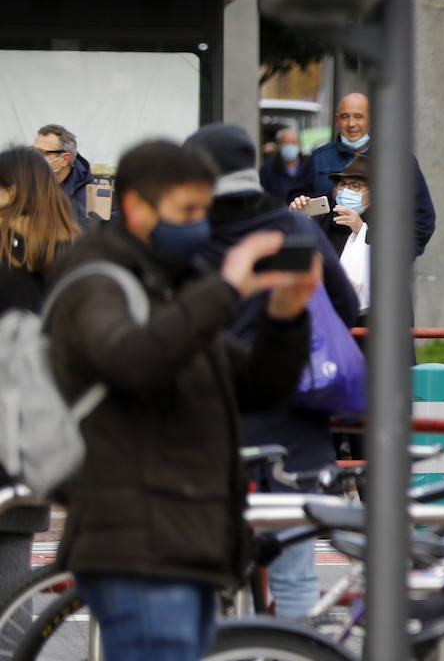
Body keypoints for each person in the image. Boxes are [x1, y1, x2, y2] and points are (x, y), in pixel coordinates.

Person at [46, 139, 316, 661]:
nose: (199, 224)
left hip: (186, 541)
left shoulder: (174, 285)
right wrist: (225, 290)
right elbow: (131, 360)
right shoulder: (96, 280)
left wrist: (285, 316)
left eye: (203, 209)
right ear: (137, 207)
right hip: (137, 545)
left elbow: (257, 387)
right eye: (185, 211)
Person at [187, 123, 359, 622]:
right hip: (293, 421)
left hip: (209, 425)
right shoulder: (294, 229)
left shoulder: (187, 236)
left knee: (208, 572)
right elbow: (344, 304)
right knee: (294, 570)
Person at [0, 146, 82, 602]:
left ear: (11, 192)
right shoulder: (67, 253)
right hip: (34, 432)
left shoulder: (7, 260)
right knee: (12, 572)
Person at [306, 92, 436, 258]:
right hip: (330, 261)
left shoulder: (398, 160)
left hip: (381, 263)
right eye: (345, 116)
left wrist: (400, 258)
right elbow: (299, 204)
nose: (351, 123)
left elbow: (422, 217)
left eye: (358, 116)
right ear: (337, 119)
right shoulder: (319, 158)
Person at [292, 156, 373, 318]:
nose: (347, 190)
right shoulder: (323, 218)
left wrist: (361, 230)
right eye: (342, 184)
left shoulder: (387, 222)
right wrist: (296, 221)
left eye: (355, 186)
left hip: (371, 324)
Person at [33, 124, 97, 227]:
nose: (33, 158)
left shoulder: (93, 197)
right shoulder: (26, 190)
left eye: (42, 153)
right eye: (33, 151)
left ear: (65, 159)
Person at [259, 127, 312, 202]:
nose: (290, 147)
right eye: (286, 143)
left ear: (299, 145)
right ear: (278, 146)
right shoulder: (267, 169)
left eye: (293, 143)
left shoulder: (308, 165)